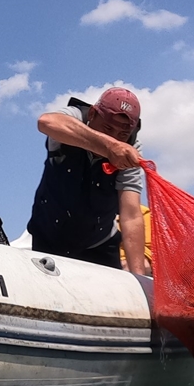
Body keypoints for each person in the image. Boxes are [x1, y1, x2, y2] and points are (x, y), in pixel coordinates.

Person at [26, 87, 149, 274]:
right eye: (108, 128)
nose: (113, 136)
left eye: (122, 134)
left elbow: (131, 215)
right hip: (49, 237)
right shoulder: (76, 116)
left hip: (99, 244)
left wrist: (138, 276)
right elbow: (46, 122)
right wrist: (109, 147)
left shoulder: (131, 150)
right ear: (93, 113)